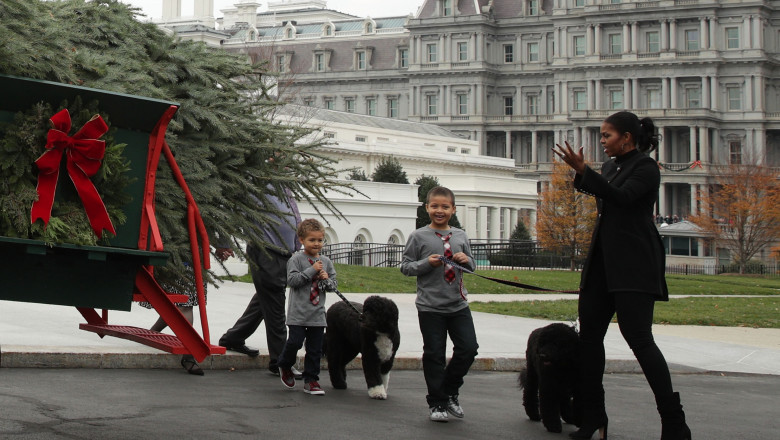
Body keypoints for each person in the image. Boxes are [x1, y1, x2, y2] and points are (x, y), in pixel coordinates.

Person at [552, 111, 691, 440]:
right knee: (589, 341)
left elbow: (624, 198)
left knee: (639, 340)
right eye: (601, 136)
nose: (602, 142)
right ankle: (593, 415)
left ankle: (674, 421)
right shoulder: (611, 167)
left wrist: (585, 172)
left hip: (634, 263)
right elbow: (603, 194)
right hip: (602, 261)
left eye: (607, 136)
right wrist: (584, 174)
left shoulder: (645, 167)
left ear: (627, 137)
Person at [400, 186, 479, 423]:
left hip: (458, 304)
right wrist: (426, 264)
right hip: (430, 307)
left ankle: (449, 390)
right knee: (434, 354)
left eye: (445, 206)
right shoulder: (418, 236)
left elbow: (472, 266)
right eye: (434, 206)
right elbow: (405, 267)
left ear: (453, 209)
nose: (439, 210)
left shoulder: (460, 236)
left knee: (468, 348)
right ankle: (437, 403)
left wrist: (467, 260)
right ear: (427, 208)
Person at [217, 188, 302, 377]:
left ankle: (233, 338)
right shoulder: (255, 182)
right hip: (265, 252)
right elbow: (227, 206)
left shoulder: (282, 185)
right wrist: (223, 243)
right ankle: (281, 361)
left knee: (265, 301)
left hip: (284, 254)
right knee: (276, 306)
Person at [277, 218, 336, 395]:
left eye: (320, 240)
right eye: (312, 240)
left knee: (315, 349)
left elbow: (333, 287)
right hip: (298, 313)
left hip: (317, 314)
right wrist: (312, 271)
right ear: (302, 240)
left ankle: (312, 380)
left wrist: (326, 280)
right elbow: (293, 281)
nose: (317, 244)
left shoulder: (326, 262)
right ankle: (285, 364)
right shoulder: (296, 260)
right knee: (294, 342)